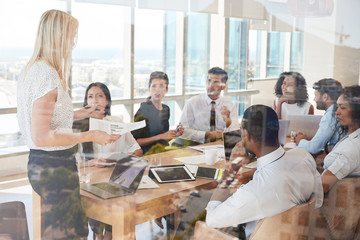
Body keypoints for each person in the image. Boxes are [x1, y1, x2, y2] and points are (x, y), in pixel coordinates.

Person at [16, 10, 119, 239]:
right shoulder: (48, 75)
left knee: (61, 231)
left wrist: (81, 113)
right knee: (72, 234)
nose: (73, 43)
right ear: (59, 35)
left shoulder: (32, 69)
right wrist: (90, 135)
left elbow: (46, 118)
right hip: (55, 167)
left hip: (42, 165)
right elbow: (42, 136)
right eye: (72, 36)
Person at [205, 105, 323, 239]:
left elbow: (211, 220)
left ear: (245, 135)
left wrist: (232, 168)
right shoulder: (304, 156)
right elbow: (318, 201)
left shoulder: (254, 192)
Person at [73, 82, 143, 240]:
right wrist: (92, 162)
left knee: (117, 205)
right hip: (87, 181)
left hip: (112, 179)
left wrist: (122, 160)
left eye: (99, 96)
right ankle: (99, 234)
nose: (95, 101)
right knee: (98, 219)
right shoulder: (78, 127)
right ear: (86, 102)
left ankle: (109, 234)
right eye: (90, 97)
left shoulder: (116, 122)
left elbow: (137, 149)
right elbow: (73, 163)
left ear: (107, 101)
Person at [178, 67, 239, 144]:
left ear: (223, 86)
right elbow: (183, 131)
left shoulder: (229, 105)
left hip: (220, 146)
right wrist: (206, 135)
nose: (210, 85)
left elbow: (235, 134)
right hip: (197, 146)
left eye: (216, 82)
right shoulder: (192, 103)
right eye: (209, 80)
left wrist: (228, 121)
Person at [132, 71, 183, 155]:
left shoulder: (166, 109)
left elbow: (162, 139)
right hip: (147, 155)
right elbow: (136, 142)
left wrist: (174, 134)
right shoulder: (143, 110)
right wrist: (161, 136)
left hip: (161, 153)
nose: (157, 90)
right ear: (149, 89)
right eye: (154, 86)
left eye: (161, 86)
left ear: (166, 89)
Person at [321, 85, 360, 193]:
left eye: (342, 107)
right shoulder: (349, 136)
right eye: (337, 107)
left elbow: (321, 186)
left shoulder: (354, 147)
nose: (337, 112)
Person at [295, 79, 343, 154]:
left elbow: (314, 148)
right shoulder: (336, 112)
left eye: (316, 95)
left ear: (325, 97)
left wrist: (300, 141)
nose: (314, 99)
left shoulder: (330, 115)